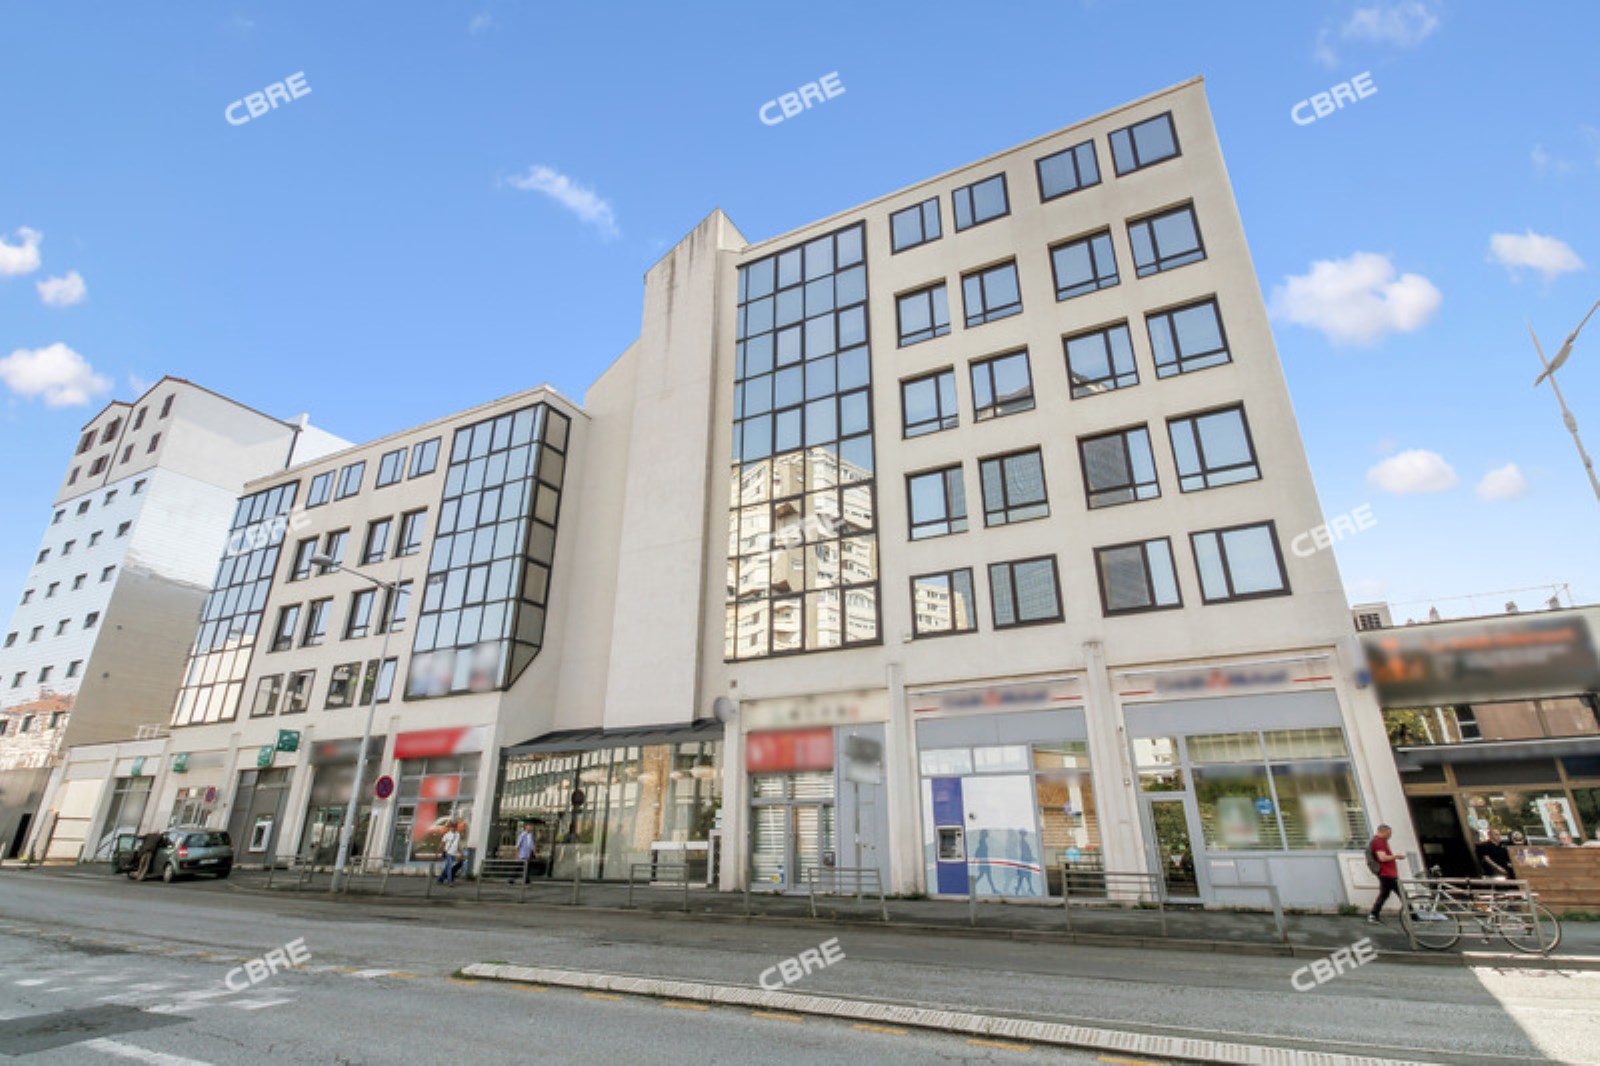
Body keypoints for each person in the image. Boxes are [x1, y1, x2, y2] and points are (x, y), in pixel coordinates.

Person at [1367, 824, 1405, 925]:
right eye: (1389, 834)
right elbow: (1382, 858)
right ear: (1383, 832)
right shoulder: (1378, 842)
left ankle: (1373, 915)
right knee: (1402, 894)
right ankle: (1413, 916)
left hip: (1386, 873)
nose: (1390, 836)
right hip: (1387, 873)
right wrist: (1396, 856)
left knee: (1384, 894)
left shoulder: (1379, 841)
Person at [437, 822, 463, 886]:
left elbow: (458, 844)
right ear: (450, 827)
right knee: (449, 867)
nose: (453, 828)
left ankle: (440, 879)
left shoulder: (458, 834)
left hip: (454, 853)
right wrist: (439, 851)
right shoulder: (447, 835)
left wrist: (461, 852)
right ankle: (450, 881)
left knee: (447, 867)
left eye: (454, 827)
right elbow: (442, 843)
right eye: (452, 827)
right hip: (448, 853)